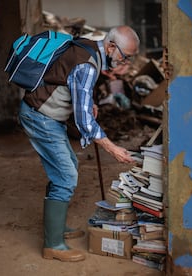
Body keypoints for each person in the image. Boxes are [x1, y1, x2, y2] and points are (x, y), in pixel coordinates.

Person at [18, 25, 140, 262]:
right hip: (40, 117)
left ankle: (56, 228)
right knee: (66, 176)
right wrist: (112, 148)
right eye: (126, 57)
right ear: (112, 47)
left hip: (47, 114)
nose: (127, 62)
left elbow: (74, 84)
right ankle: (53, 245)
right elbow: (83, 120)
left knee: (66, 169)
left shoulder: (90, 48)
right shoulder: (87, 63)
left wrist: (89, 102)